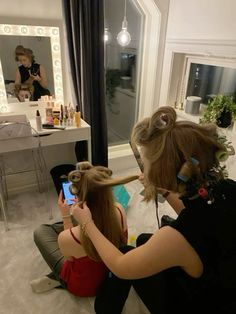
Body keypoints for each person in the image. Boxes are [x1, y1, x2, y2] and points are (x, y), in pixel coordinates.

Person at [71, 106, 236, 313]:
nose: (144, 168)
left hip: (200, 303)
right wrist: (166, 191)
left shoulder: (175, 237)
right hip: (223, 276)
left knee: (125, 252)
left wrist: (87, 223)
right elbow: (195, 212)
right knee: (142, 241)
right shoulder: (225, 188)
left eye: (146, 163)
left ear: (163, 173)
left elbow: (120, 265)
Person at [32, 161, 138, 297]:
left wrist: (65, 216)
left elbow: (68, 259)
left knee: (41, 231)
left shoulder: (69, 237)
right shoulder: (119, 209)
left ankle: (58, 278)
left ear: (78, 197)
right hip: (109, 276)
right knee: (68, 228)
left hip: (83, 288)